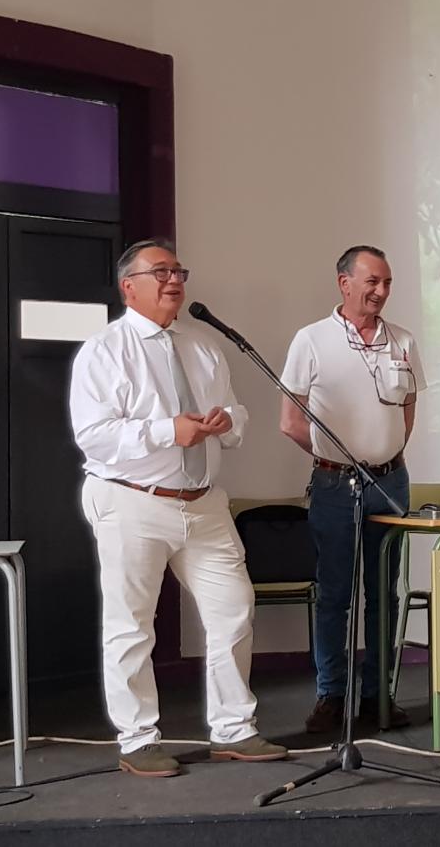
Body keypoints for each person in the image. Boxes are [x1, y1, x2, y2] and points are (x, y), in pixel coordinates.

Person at [70, 238, 287, 777]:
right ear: (129, 287)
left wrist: (224, 424)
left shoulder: (203, 346)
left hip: (205, 504)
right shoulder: (104, 351)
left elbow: (237, 415)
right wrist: (172, 430)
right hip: (131, 501)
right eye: (160, 272)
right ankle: (138, 738)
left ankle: (234, 729)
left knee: (234, 609)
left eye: (178, 271)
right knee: (132, 625)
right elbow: (93, 436)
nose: (174, 281)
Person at [280, 245, 423, 734]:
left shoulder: (402, 340)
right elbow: (291, 421)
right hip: (335, 484)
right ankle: (330, 696)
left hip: (390, 482)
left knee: (383, 592)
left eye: (387, 283)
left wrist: (387, 452)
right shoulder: (311, 340)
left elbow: (408, 409)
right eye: (372, 282)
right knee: (335, 594)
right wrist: (334, 459)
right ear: (344, 283)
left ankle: (377, 696)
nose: (381, 292)